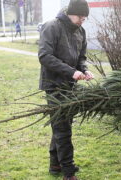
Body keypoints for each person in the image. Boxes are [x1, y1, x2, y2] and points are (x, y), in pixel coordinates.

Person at [38, 0, 94, 180]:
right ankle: (68, 172)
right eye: (80, 17)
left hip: (70, 86)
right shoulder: (51, 26)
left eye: (85, 18)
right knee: (62, 129)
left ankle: (55, 165)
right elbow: (44, 56)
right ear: (70, 13)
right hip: (53, 85)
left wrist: (84, 69)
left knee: (61, 125)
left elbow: (81, 58)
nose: (82, 21)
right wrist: (72, 72)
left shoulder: (81, 32)